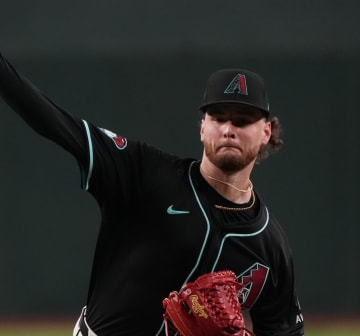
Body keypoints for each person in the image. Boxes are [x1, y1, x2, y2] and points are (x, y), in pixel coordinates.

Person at [0, 52, 304, 336]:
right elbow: (53, 121)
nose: (228, 128)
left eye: (242, 120)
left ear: (266, 132)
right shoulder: (145, 174)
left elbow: (284, 329)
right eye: (218, 117)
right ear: (202, 127)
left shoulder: (270, 247)